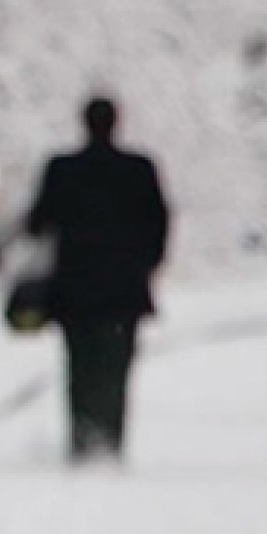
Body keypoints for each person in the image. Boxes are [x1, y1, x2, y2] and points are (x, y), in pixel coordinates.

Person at [20, 96, 169, 463]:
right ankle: (111, 439)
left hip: (75, 289)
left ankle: (82, 437)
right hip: (124, 290)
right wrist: (145, 265)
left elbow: (38, 221)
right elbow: (159, 223)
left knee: (79, 364)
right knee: (117, 366)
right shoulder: (139, 169)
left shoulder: (62, 169)